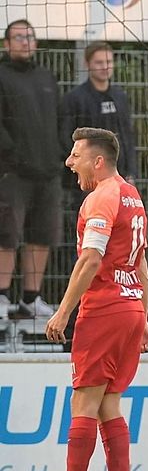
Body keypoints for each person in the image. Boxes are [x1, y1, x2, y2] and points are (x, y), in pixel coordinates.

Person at [37, 127, 148, 471]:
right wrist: (142, 316)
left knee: (84, 404)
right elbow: (140, 263)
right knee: (109, 404)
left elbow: (90, 259)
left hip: (104, 309)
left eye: (76, 156)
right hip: (129, 310)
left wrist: (63, 312)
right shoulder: (133, 196)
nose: (70, 163)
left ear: (98, 161)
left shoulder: (101, 198)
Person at [0, 19, 64, 320]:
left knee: (42, 237)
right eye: (19, 37)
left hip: (48, 172)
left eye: (30, 36)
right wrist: (10, 154)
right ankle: (1, 298)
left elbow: (60, 120)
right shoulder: (1, 75)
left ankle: (30, 299)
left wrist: (60, 156)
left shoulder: (47, 78)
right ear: (6, 44)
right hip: (11, 173)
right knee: (6, 236)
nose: (25, 41)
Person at [61, 41, 138, 207]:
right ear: (87, 64)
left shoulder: (120, 97)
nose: (105, 67)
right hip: (90, 180)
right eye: (99, 62)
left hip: (119, 177)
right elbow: (67, 139)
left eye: (109, 62)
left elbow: (128, 137)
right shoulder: (75, 99)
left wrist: (131, 171)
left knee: (120, 226)